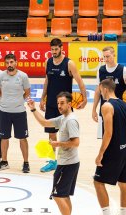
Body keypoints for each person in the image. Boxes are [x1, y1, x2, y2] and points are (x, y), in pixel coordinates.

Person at [27, 91, 81, 215]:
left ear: (70, 104)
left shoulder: (71, 121)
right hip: (68, 163)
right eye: (58, 103)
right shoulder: (63, 118)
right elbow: (45, 123)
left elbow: (76, 142)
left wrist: (58, 144)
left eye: (62, 103)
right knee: (64, 196)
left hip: (68, 163)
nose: (59, 106)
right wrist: (32, 109)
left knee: (57, 195)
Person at [90, 79, 126, 215]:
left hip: (113, 151)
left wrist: (100, 154)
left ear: (104, 89)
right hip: (125, 148)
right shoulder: (124, 104)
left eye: (99, 90)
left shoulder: (107, 106)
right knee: (123, 182)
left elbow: (108, 133)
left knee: (98, 182)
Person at [39, 38, 87, 173]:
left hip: (65, 106)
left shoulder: (69, 63)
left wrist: (84, 98)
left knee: (66, 135)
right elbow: (47, 81)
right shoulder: (48, 62)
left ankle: (67, 160)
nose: (54, 52)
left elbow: (79, 81)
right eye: (52, 49)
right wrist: (42, 98)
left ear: (61, 48)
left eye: (56, 49)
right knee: (51, 134)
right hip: (51, 104)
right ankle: (52, 161)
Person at [0, 53, 30, 173]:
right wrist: (7, 101)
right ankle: (4, 162)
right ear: (5, 64)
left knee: (22, 138)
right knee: (4, 138)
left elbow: (27, 92)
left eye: (11, 62)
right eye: (7, 63)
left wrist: (18, 101)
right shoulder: (0, 76)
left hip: (19, 112)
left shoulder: (23, 76)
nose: (9, 65)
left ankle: (26, 163)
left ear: (16, 62)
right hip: (4, 111)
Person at [92, 46, 126, 138]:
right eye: (104, 57)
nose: (106, 59)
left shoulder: (124, 70)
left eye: (108, 56)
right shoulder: (100, 70)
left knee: (120, 138)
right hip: (105, 109)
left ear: (114, 55)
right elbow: (98, 91)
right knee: (106, 138)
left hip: (120, 110)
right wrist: (94, 109)